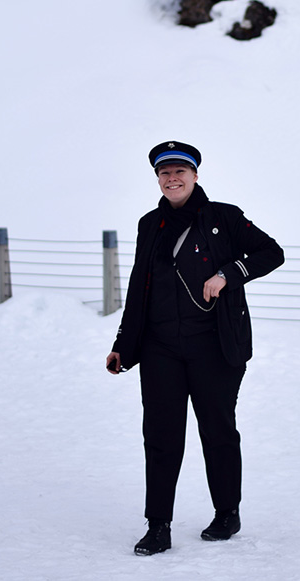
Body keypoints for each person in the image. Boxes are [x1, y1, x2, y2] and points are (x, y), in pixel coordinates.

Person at [105, 140, 284, 556]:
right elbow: (138, 288)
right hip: (160, 348)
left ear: (195, 175)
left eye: (180, 171)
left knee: (217, 431)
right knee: (161, 436)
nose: (172, 179)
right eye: (164, 173)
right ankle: (158, 525)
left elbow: (271, 253)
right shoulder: (149, 224)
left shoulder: (224, 217)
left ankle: (227, 514)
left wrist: (227, 273)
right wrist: (123, 346)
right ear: (158, 179)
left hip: (214, 347)